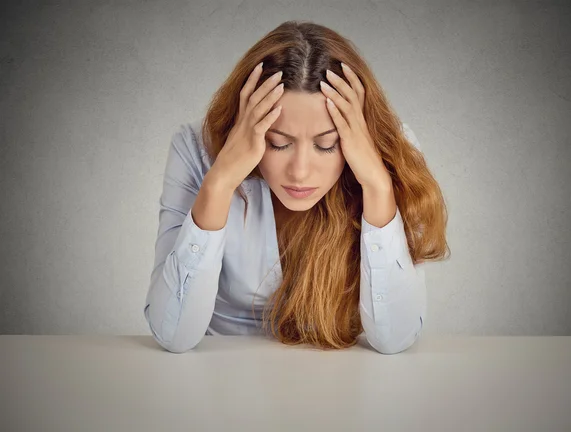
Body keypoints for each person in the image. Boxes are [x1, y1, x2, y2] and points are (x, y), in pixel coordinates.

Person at [144, 20, 450, 355]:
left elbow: (395, 338)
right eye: (277, 144)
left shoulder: (392, 153)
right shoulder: (194, 149)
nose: (300, 172)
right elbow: (172, 334)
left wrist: (377, 185)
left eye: (326, 145)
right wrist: (219, 182)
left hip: (340, 380)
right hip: (223, 375)